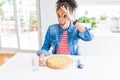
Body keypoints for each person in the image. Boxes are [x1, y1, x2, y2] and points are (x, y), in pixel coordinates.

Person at [37, 0, 93, 66]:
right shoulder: (52, 29)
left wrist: (73, 20)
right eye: (58, 16)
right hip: (57, 61)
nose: (60, 19)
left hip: (73, 62)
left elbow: (89, 37)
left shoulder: (76, 29)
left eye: (64, 16)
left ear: (70, 15)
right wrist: (41, 56)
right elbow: (46, 46)